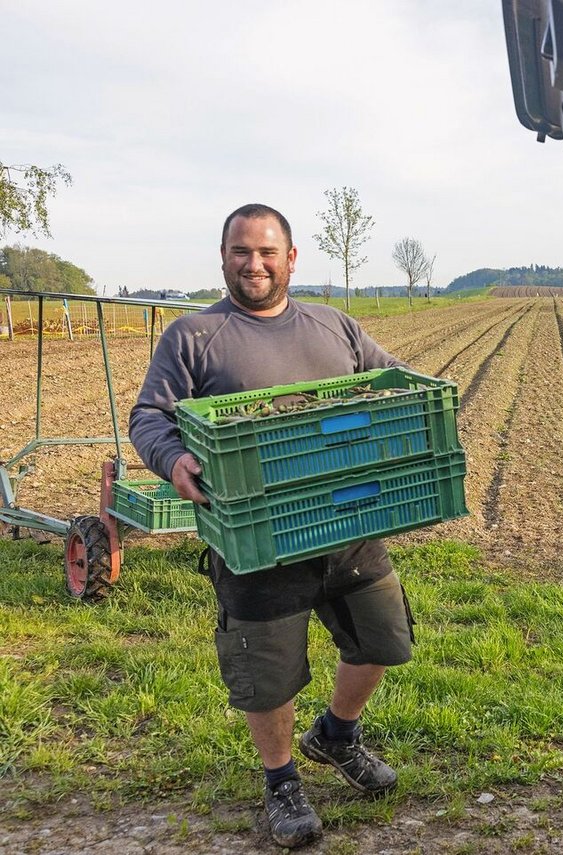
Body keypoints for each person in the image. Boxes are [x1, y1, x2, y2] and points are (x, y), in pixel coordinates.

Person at [129, 203, 415, 848]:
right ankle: (281, 780)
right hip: (257, 534)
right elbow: (150, 415)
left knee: (384, 640)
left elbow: (391, 383)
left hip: (348, 519)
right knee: (269, 671)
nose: (252, 264)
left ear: (290, 258)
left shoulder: (333, 325)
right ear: (224, 258)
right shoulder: (193, 335)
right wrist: (172, 457)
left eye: (265, 252)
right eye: (239, 252)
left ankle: (337, 735)